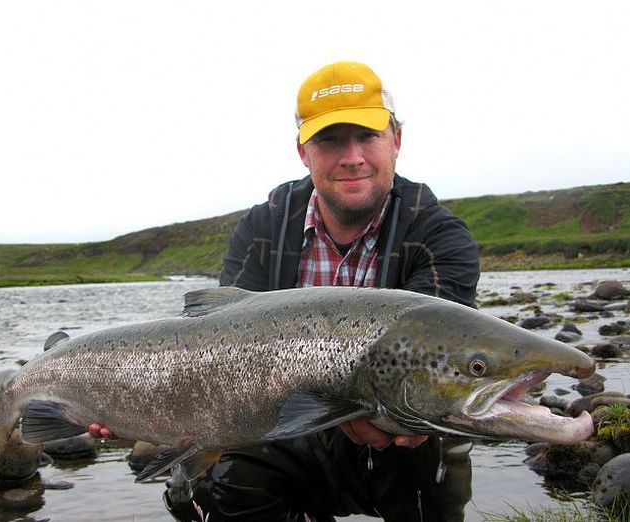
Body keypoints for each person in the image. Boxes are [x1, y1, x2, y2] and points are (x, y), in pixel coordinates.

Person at [92, 61, 480, 521]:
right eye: (330, 140)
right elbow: (215, 348)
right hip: (278, 429)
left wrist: (417, 416)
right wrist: (135, 406)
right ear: (303, 152)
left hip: (394, 437)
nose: (351, 156)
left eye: (367, 136)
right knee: (206, 488)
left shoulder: (441, 236)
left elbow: (445, 355)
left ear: (396, 141)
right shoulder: (263, 226)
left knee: (427, 444)